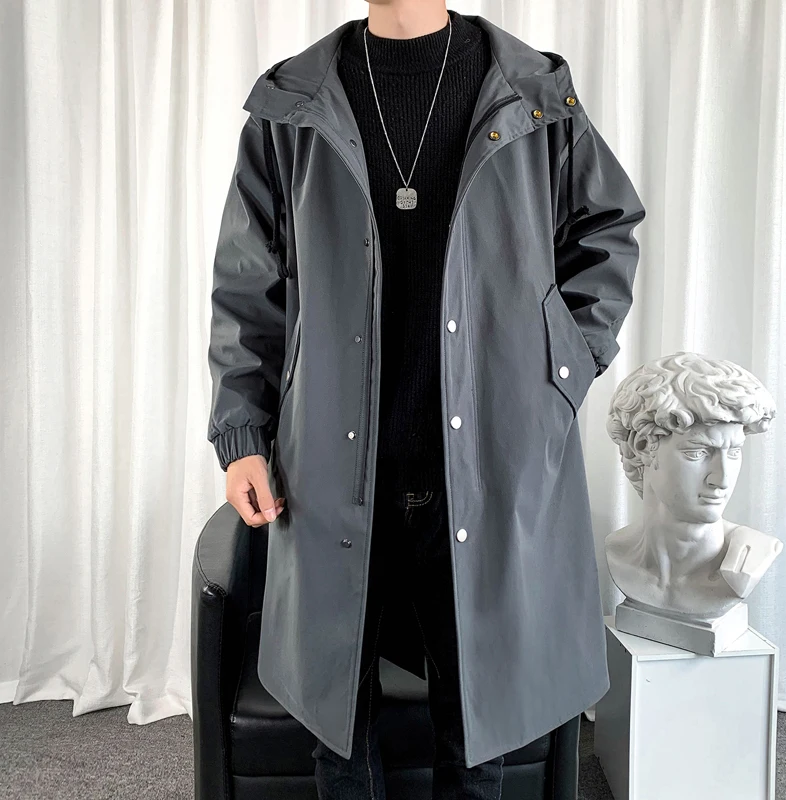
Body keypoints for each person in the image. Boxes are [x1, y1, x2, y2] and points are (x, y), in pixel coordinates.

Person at [207, 1, 646, 798]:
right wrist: (242, 434)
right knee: (336, 725)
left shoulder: (531, 92)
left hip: (486, 455)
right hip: (333, 467)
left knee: (476, 725)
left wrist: (563, 368)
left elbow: (607, 230)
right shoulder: (292, 104)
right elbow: (248, 284)